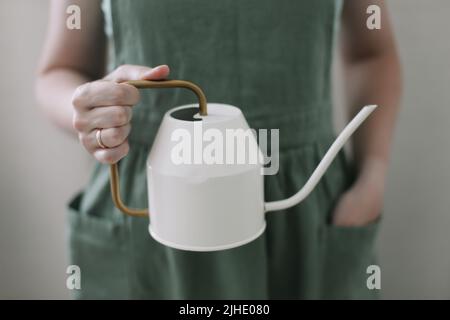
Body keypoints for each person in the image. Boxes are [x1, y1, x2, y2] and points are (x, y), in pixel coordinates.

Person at [36, 0, 401, 299]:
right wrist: (87, 110)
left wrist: (372, 177)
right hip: (150, 209)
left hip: (303, 206)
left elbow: (371, 53)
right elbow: (61, 68)